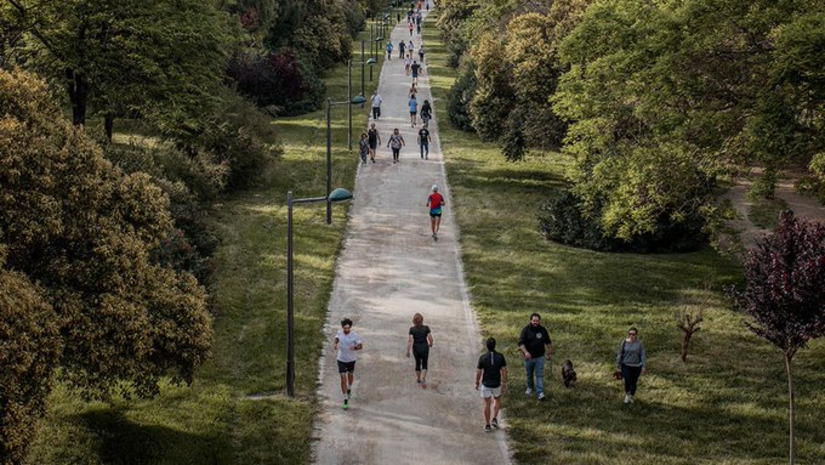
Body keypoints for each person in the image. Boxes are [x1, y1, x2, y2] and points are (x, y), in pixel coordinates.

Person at [517, 313, 554, 401]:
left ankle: (540, 393)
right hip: (528, 358)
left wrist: (550, 353)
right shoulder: (525, 330)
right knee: (529, 374)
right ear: (530, 320)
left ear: (539, 321)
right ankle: (530, 387)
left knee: (539, 375)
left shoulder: (543, 330)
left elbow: (548, 342)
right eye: (533, 321)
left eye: (537, 321)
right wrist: (525, 352)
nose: (535, 322)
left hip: (539, 357)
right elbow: (521, 343)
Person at [475, 337, 507, 433]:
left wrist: (477, 382)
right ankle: (494, 418)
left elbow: (478, 371)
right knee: (497, 400)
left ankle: (487, 424)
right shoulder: (500, 356)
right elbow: (504, 370)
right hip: (496, 383)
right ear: (495, 345)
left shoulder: (483, 357)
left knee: (487, 403)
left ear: (487, 346)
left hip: (486, 384)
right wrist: (505, 382)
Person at [333, 318, 363, 410]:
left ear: (350, 327)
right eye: (345, 328)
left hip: (351, 360)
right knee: (343, 379)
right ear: (342, 328)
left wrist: (355, 348)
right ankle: (345, 400)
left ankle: (349, 388)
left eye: (348, 328)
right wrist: (335, 344)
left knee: (350, 375)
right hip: (341, 359)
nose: (346, 330)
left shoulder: (354, 335)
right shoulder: (339, 333)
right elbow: (337, 338)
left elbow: (360, 346)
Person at [616, 327, 646, 404]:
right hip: (626, 365)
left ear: (636, 335)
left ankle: (631, 395)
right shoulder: (624, 342)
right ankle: (627, 394)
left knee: (634, 382)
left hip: (636, 366)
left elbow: (642, 355)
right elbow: (620, 353)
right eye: (630, 334)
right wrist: (618, 365)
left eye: (633, 334)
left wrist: (643, 366)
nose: (631, 336)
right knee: (627, 380)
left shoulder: (639, 344)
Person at [406, 313, 433, 387]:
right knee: (424, 363)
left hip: (416, 348)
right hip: (424, 347)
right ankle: (423, 378)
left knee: (418, 363)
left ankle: (418, 379)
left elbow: (410, 341)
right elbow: (430, 338)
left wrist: (408, 351)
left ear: (413, 321)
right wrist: (431, 343)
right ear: (422, 320)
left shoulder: (412, 329)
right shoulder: (426, 328)